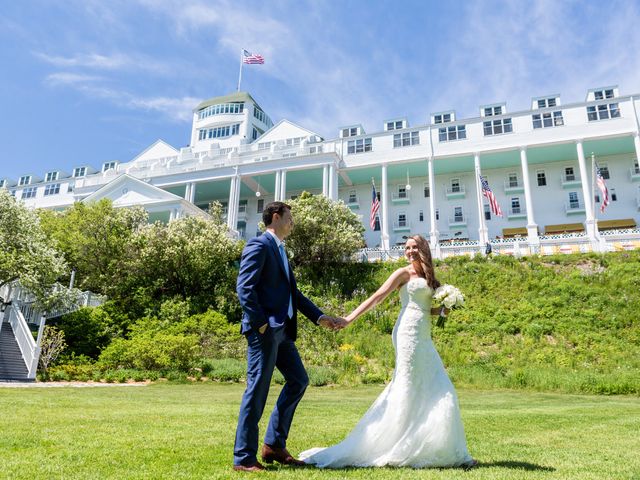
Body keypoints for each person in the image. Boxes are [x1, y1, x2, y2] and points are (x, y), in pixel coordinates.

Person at [300, 235, 476, 469]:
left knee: (436, 386)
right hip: (407, 333)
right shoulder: (403, 274)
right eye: (407, 248)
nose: (410, 251)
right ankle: (394, 443)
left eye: (414, 247)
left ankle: (433, 447)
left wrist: (445, 308)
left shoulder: (429, 277)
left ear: (424, 249)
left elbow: (427, 309)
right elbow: (377, 297)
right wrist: (349, 318)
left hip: (423, 332)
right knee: (408, 384)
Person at [233, 201, 345, 472]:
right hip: (265, 332)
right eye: (289, 217)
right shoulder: (259, 245)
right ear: (275, 217)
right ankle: (244, 458)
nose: (293, 222)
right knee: (258, 389)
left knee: (299, 380)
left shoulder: (281, 251)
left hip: (283, 332)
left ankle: (273, 445)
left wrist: (320, 317)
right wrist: (260, 324)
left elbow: (294, 295)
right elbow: (244, 287)